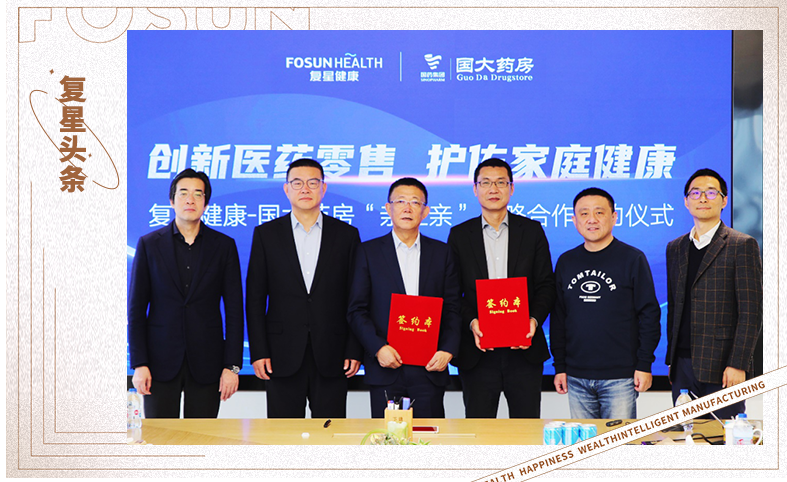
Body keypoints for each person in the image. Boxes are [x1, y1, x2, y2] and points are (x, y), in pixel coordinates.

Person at [246, 158, 362, 418]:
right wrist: (259, 351)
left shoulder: (346, 235)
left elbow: (356, 298)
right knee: (282, 433)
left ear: (324, 188)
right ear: (286, 189)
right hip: (280, 354)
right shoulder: (266, 234)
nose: (305, 189)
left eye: (313, 182)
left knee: (330, 430)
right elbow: (255, 299)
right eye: (297, 183)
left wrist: (354, 349)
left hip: (333, 353)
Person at [128, 168, 244, 418]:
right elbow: (136, 310)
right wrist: (139, 363)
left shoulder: (224, 246)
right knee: (161, 436)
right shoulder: (149, 244)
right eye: (183, 193)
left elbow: (235, 311)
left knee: (202, 437)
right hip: (158, 363)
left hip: (208, 362)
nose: (190, 199)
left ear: (206, 203)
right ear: (172, 200)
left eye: (197, 194)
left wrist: (232, 366)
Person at [447, 158, 556, 418]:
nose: (493, 189)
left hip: (524, 351)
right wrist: (472, 322)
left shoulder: (531, 231)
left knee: (526, 428)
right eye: (486, 183)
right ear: (475, 189)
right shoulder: (460, 235)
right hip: (478, 352)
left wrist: (533, 320)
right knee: (480, 428)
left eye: (500, 182)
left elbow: (546, 285)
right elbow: (452, 292)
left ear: (511, 188)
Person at [347, 178, 461, 418]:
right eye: (400, 201)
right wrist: (378, 348)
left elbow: (453, 307)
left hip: (430, 367)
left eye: (415, 202)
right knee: (388, 438)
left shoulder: (442, 253)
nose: (407, 208)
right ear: (388, 208)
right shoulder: (368, 252)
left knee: (429, 436)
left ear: (425, 211)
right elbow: (357, 310)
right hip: (386, 366)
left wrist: (447, 350)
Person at [551, 187, 661, 419]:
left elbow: (649, 315)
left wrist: (644, 364)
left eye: (599, 212)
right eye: (584, 214)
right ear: (574, 220)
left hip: (620, 376)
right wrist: (560, 366)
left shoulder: (632, 258)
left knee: (618, 441)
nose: (591, 219)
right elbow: (559, 318)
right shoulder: (566, 261)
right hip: (576, 376)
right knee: (585, 441)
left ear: (614, 217)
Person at [666, 168, 762, 419]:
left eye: (711, 193)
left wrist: (738, 363)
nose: (702, 198)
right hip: (682, 366)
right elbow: (675, 306)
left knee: (725, 436)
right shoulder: (675, 248)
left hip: (723, 366)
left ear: (724, 200)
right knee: (686, 436)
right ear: (686, 201)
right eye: (695, 193)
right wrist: (672, 362)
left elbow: (751, 312)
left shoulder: (742, 244)